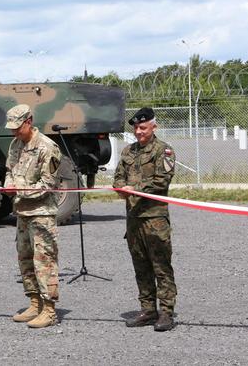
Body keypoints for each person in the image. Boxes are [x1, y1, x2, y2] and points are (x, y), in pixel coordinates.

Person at [113, 107, 177, 332]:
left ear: (153, 127)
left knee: (161, 267)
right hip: (134, 220)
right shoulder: (128, 152)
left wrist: (134, 188)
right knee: (140, 267)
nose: (138, 132)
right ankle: (148, 309)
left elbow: (162, 181)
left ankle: (166, 313)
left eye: (143, 127)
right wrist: (120, 188)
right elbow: (119, 177)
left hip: (155, 220)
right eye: (135, 128)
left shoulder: (164, 151)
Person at [3, 104, 62, 328]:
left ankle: (49, 309)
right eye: (12, 129)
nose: (14, 132)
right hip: (23, 212)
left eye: (17, 127)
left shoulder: (48, 147)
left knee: (44, 262)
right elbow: (10, 170)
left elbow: (48, 184)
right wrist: (9, 183)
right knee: (25, 260)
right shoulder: (15, 143)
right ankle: (34, 302)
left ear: (29, 121)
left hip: (42, 213)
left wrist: (17, 189)